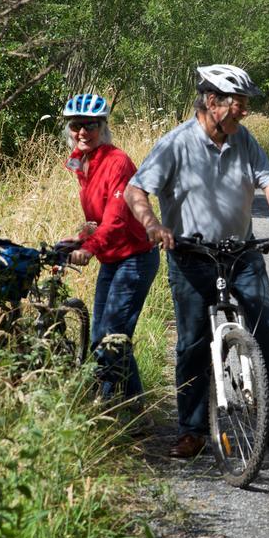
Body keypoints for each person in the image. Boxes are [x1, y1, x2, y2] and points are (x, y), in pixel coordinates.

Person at [124, 64, 269, 459]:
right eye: (239, 103)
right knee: (191, 343)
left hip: (240, 252)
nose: (245, 111)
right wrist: (154, 225)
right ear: (212, 102)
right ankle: (191, 430)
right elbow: (136, 191)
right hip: (191, 256)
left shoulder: (244, 140)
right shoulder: (175, 143)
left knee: (267, 321)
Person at [61, 93, 158, 409]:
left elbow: (116, 219)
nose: (82, 132)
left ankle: (106, 403)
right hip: (112, 258)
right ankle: (133, 405)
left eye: (90, 125)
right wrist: (79, 238)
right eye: (76, 125)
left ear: (103, 127)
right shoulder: (81, 162)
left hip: (135, 258)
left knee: (110, 334)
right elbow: (99, 218)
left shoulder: (118, 162)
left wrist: (88, 249)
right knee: (103, 335)